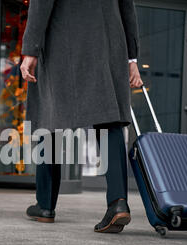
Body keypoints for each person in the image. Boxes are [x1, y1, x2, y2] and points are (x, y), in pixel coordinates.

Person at [20, 0, 143, 233]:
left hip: (62, 42)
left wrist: (30, 50)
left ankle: (45, 205)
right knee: (109, 119)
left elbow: (41, 4)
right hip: (108, 43)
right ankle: (118, 203)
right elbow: (127, 7)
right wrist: (132, 58)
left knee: (50, 118)